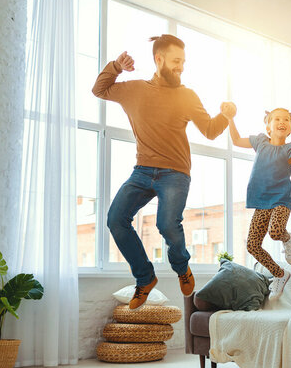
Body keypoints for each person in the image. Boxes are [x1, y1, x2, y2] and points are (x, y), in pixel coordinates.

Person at [92, 34, 236, 310]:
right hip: (142, 171)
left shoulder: (187, 95)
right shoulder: (133, 90)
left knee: (167, 225)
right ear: (158, 59)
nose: (181, 67)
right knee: (115, 219)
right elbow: (99, 89)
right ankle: (145, 278)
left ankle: (182, 267)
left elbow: (210, 130)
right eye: (176, 61)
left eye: (183, 61)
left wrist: (226, 115)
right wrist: (116, 66)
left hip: (175, 173)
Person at [226, 107, 291, 300]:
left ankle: (287, 239)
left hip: (280, 199)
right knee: (253, 245)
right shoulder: (261, 142)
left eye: (286, 120)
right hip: (262, 201)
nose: (282, 122)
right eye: (277, 119)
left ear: (290, 128)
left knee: (275, 231)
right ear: (268, 126)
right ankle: (280, 274)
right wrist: (230, 118)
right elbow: (237, 140)